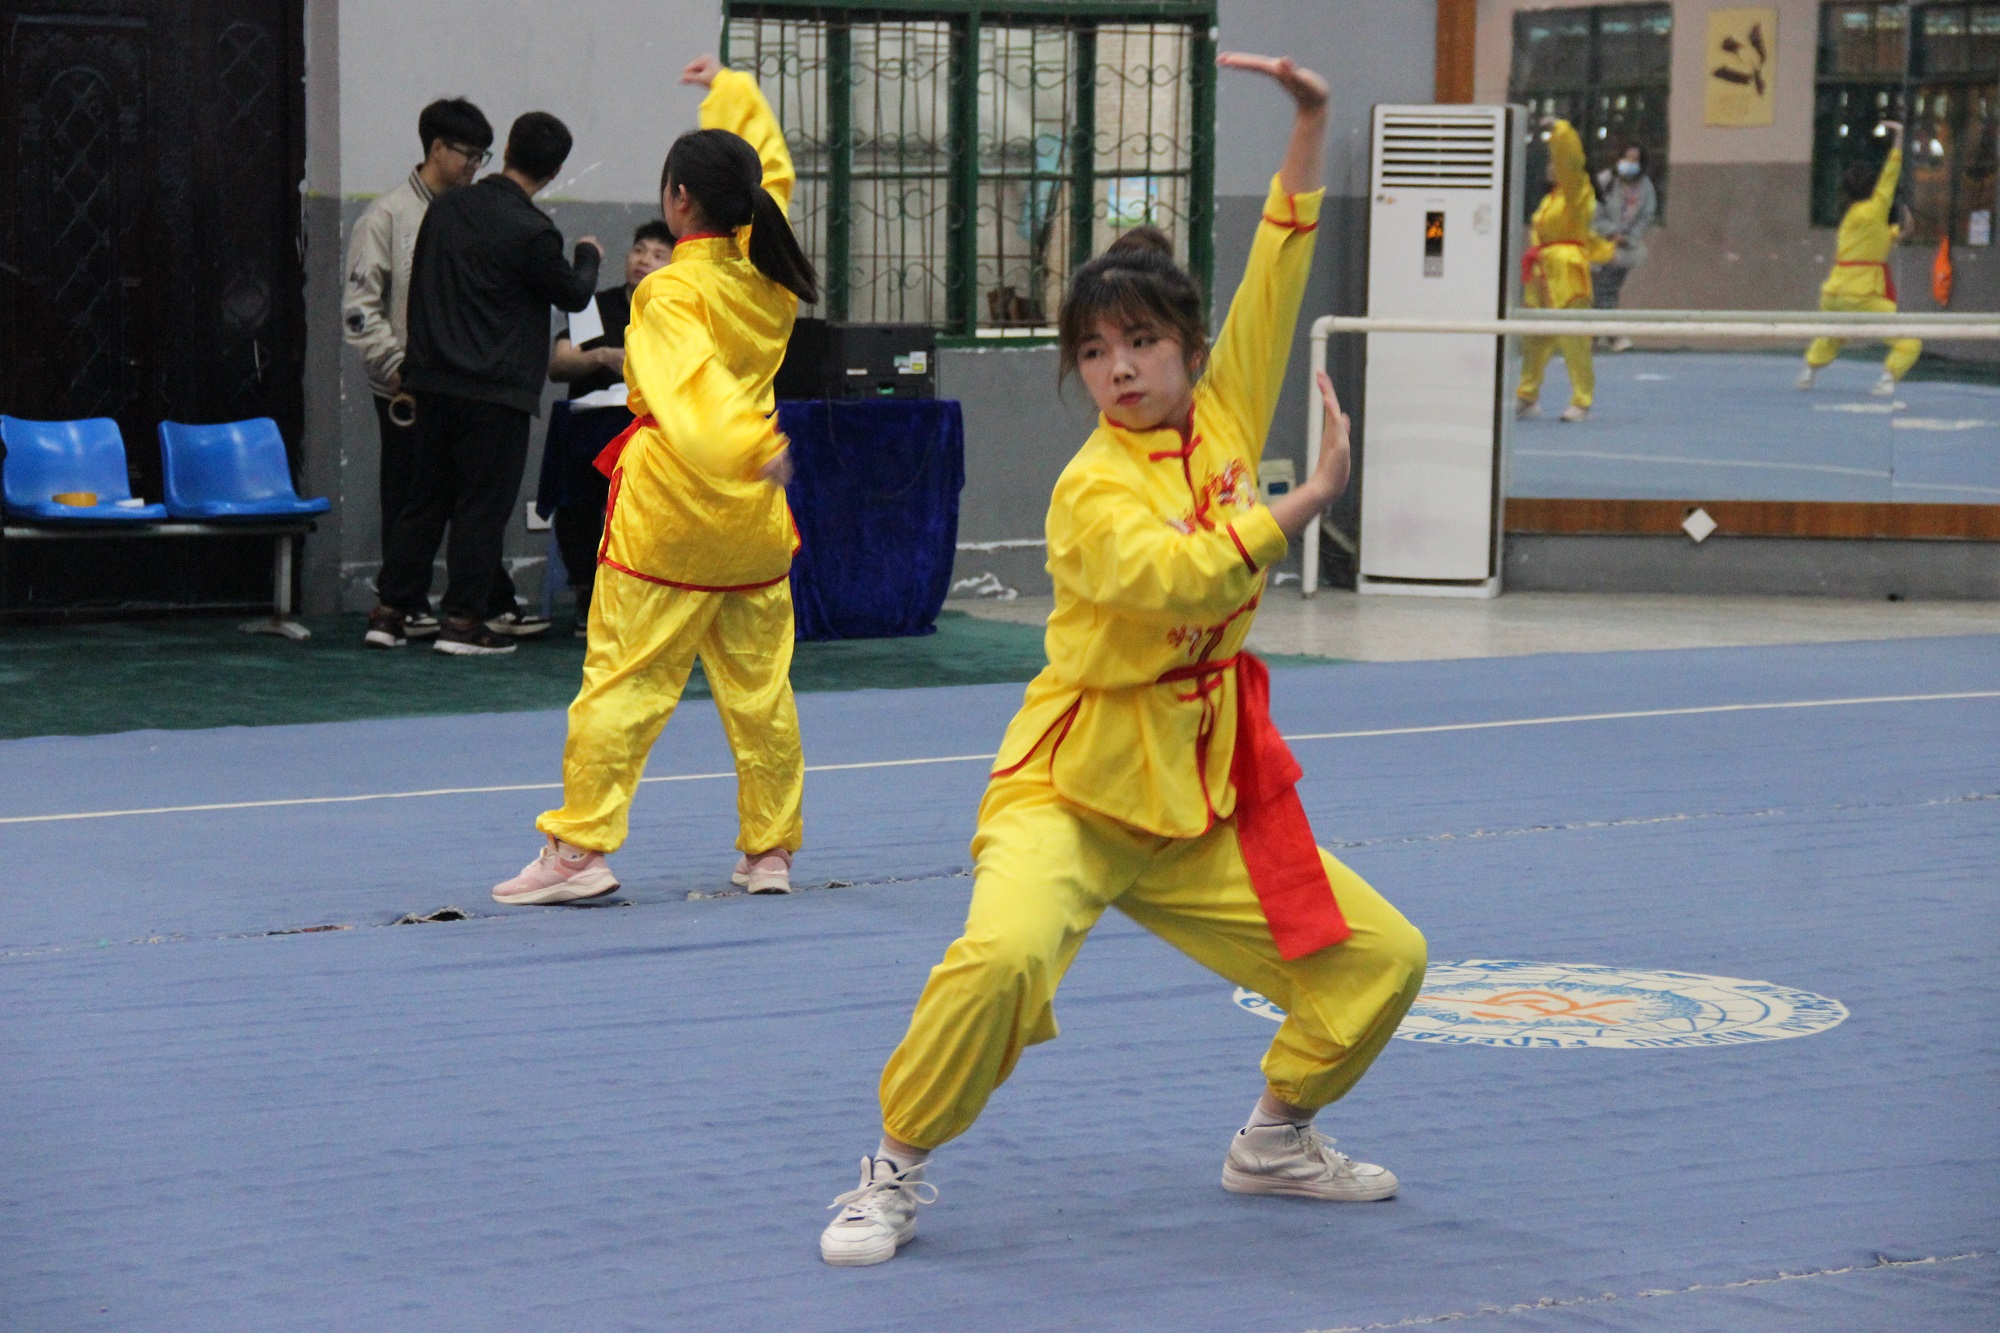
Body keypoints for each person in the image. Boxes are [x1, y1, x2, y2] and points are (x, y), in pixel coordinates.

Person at [814, 52, 1427, 1269]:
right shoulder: (1087, 491)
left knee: (1380, 960)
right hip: (1074, 786)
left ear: (1188, 347)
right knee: (1000, 959)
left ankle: (1274, 1138)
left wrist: (1311, 120)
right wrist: (1301, 503)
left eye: (1140, 342)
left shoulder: (1225, 408)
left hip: (1200, 792)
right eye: (1092, 352)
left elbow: (1279, 258)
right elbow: (1178, 579)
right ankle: (892, 1165)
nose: (1119, 371)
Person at [490, 55, 819, 904]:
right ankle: (770, 850)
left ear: (678, 201)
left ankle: (578, 850)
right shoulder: (771, 277)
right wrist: (734, 91)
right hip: (753, 521)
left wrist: (744, 441)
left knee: (624, 681)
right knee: (761, 692)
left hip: (672, 515)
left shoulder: (669, 293)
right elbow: (773, 172)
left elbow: (690, 388)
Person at [369, 112, 602, 656]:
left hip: (431, 382)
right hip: (494, 393)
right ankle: (463, 623)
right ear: (554, 171)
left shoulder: (446, 208)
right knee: (480, 508)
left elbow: (419, 287)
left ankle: (389, 613)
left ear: (507, 151)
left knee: (422, 502)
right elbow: (574, 294)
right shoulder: (533, 231)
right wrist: (588, 254)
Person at [345, 97, 491, 645]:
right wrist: (394, 367)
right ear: (435, 148)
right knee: (408, 496)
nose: (475, 165)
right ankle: (401, 603)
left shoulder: (471, 213)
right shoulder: (386, 216)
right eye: (468, 154)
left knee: (456, 496)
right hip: (405, 385)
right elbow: (360, 309)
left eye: (482, 156)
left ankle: (434, 602)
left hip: (457, 381)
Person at [544, 222, 678, 632]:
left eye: (658, 255)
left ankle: (655, 593)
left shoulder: (680, 311)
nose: (644, 261)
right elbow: (558, 363)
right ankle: (587, 588)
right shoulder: (594, 306)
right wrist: (602, 356)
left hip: (658, 429)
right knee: (579, 488)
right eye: (639, 250)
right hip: (594, 427)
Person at [1799, 121, 1920, 397]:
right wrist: (1899, 137)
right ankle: (1887, 379)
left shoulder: (1851, 219)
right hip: (1861, 294)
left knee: (1833, 335)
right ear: (1873, 188)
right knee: (1910, 341)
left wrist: (1900, 232)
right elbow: (1891, 173)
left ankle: (1808, 371)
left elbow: (1877, 242)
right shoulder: (1875, 209)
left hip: (1832, 294)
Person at [1517, 117, 1615, 423]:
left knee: (1574, 338)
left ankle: (1582, 401)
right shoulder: (1551, 199)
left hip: (1567, 273)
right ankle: (1527, 396)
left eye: (1555, 160)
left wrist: (1560, 131)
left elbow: (1571, 162)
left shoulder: (1577, 192)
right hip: (1542, 273)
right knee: (1535, 338)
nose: (1551, 165)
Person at [1591, 144, 1657, 353]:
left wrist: (1629, 238)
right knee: (1596, 290)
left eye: (1635, 160)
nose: (1630, 163)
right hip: (1598, 244)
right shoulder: (1605, 181)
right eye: (1627, 158)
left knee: (1608, 289)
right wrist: (1610, 232)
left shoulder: (1646, 187)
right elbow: (1592, 212)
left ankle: (1603, 335)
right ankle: (1604, 335)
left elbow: (1647, 216)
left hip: (1624, 249)